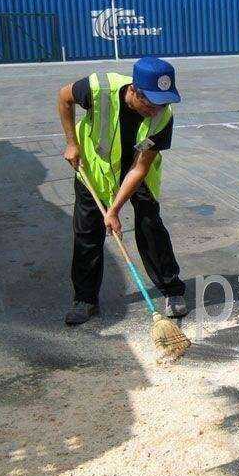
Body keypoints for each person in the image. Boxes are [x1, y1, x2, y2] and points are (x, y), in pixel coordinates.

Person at [57, 56, 187, 325]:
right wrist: (71, 143)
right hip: (96, 169)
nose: (156, 109)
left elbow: (139, 169)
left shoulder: (163, 116)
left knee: (151, 226)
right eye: (150, 102)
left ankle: (172, 290)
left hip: (137, 171)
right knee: (87, 233)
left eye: (163, 102)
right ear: (133, 90)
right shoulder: (98, 88)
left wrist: (115, 210)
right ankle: (85, 299)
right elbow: (63, 97)